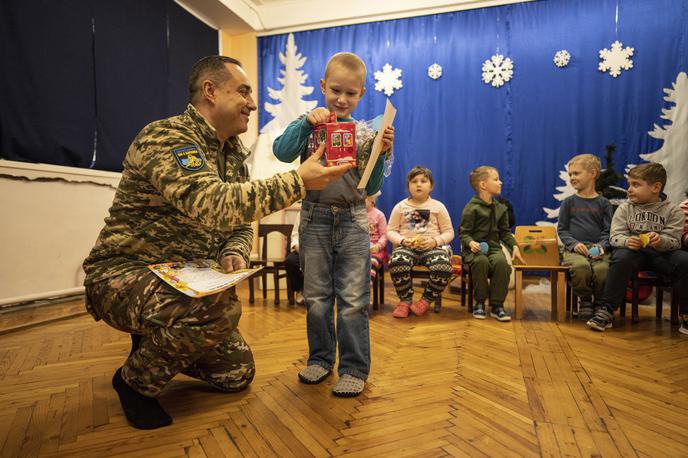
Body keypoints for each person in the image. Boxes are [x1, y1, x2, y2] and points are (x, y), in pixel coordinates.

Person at [82, 56, 353, 430]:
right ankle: (133, 383)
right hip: (123, 274)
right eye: (243, 91)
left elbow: (238, 224)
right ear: (210, 91)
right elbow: (214, 204)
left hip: (184, 278)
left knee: (237, 374)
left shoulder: (230, 155)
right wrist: (299, 181)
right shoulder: (167, 137)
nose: (253, 103)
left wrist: (234, 251)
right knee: (217, 309)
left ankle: (152, 344)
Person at [272, 52, 394, 397]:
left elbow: (369, 188)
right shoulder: (309, 123)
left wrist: (381, 153)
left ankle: (354, 368)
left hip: (354, 217)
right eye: (335, 90)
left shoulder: (366, 132)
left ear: (361, 95)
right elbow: (282, 152)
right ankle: (320, 359)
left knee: (354, 299)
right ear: (323, 87)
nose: (342, 99)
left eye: (350, 94)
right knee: (316, 297)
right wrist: (306, 122)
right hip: (314, 216)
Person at [586, 163, 688, 335]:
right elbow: (615, 236)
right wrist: (627, 241)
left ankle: (686, 314)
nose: (629, 190)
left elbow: (675, 241)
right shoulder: (625, 208)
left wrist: (661, 240)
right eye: (629, 184)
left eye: (636, 185)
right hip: (633, 252)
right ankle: (606, 310)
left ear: (656, 187)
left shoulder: (673, 211)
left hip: (661, 254)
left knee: (685, 261)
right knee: (621, 258)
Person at [386, 166, 454, 318]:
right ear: (408, 186)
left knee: (443, 267)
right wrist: (403, 240)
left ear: (431, 186)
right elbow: (390, 231)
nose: (418, 184)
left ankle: (425, 301)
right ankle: (405, 301)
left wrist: (435, 241)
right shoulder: (400, 207)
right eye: (414, 181)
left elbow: (449, 232)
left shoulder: (438, 207)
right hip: (407, 248)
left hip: (432, 248)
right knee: (397, 261)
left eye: (423, 181)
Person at [459, 166, 525, 321]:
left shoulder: (501, 208)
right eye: (496, 179)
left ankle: (497, 305)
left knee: (502, 263)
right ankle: (480, 303)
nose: (500, 182)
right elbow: (464, 233)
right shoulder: (471, 208)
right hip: (474, 250)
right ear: (483, 185)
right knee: (481, 262)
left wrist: (514, 246)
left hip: (494, 249)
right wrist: (471, 243)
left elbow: (505, 233)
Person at [557, 154, 614, 320]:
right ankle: (586, 300)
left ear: (593, 174)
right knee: (581, 267)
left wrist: (602, 246)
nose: (572, 177)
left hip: (598, 249)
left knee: (602, 270)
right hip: (575, 251)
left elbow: (608, 231)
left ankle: (600, 304)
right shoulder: (568, 203)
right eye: (570, 174)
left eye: (576, 173)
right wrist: (574, 244)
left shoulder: (604, 203)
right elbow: (562, 230)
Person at [284, 211, 305, 305]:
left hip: (319, 250)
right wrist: (297, 247)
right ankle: (300, 289)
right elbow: (295, 234)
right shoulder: (301, 213)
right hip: (301, 249)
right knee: (290, 261)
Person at [366, 191, 388, 279]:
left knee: (372, 262)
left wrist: (378, 246)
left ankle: (366, 287)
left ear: (372, 199)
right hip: (359, 249)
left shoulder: (379, 215)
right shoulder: (354, 215)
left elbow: (385, 235)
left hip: (376, 250)